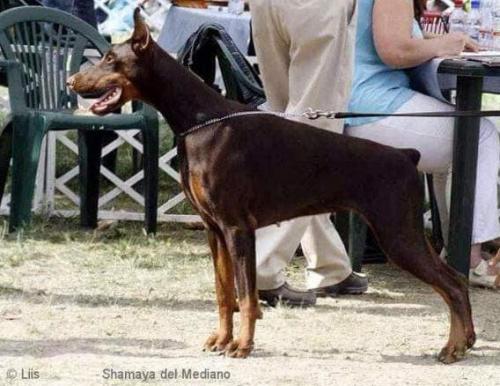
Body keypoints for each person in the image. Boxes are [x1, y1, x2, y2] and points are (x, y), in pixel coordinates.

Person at [345, 0, 500, 288]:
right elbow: (395, 50)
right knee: (479, 135)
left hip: (353, 105)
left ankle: (457, 247)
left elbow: (389, 35)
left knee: (460, 138)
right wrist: (443, 45)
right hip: (371, 107)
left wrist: (438, 41)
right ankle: (468, 255)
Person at [249, 0, 368, 307]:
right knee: (313, 140)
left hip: (267, 6)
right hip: (318, 8)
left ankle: (330, 266)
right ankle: (261, 267)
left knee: (288, 131)